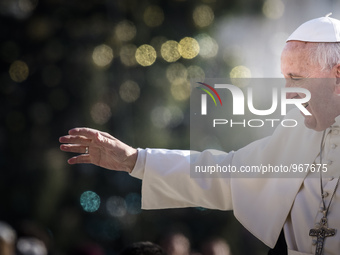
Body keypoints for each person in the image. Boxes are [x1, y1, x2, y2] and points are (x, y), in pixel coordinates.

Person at [60, 15, 340, 255]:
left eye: (298, 78)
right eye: (285, 78)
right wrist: (135, 160)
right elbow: (225, 175)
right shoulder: (297, 132)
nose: (288, 94)